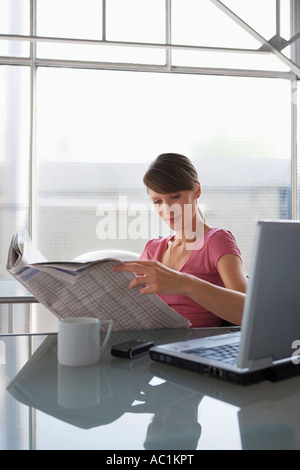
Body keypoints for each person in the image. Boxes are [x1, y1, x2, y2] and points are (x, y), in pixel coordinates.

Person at [113, 153, 247, 327]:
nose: (167, 208)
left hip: (193, 349)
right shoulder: (153, 249)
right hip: (148, 346)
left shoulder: (217, 241)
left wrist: (186, 284)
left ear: (197, 190)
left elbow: (249, 312)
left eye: (175, 197)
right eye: (157, 201)